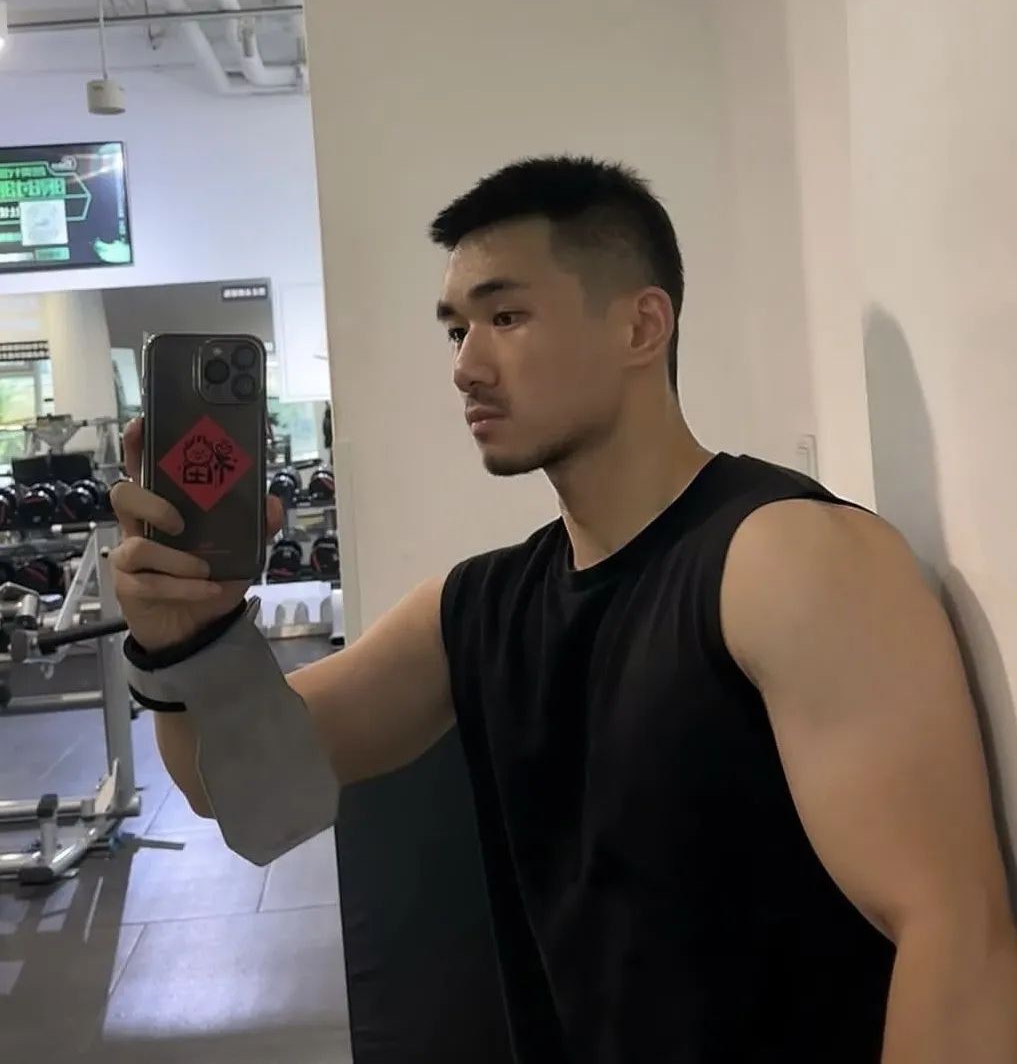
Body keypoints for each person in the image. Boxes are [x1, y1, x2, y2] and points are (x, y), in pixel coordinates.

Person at [111, 156, 1017, 1062]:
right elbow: (239, 789)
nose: (466, 366)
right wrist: (183, 638)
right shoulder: (477, 607)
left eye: (505, 317)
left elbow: (956, 937)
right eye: (456, 330)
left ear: (640, 325)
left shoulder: (786, 559)